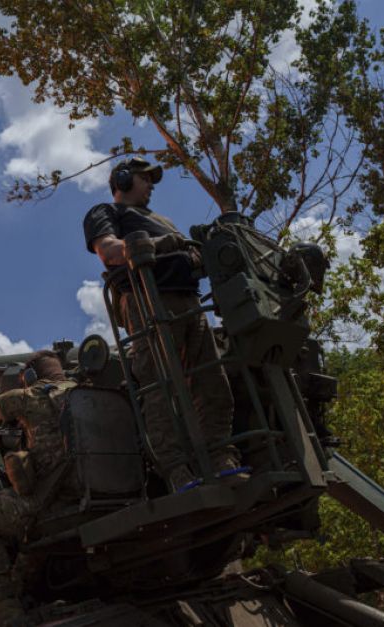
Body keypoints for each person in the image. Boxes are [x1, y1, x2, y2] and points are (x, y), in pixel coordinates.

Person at [82, 157, 238, 492]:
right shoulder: (106, 213)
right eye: (144, 178)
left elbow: (190, 254)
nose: (151, 185)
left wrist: (197, 256)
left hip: (189, 302)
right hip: (147, 300)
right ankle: (177, 470)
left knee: (213, 380)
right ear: (122, 180)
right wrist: (153, 245)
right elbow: (109, 251)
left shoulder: (163, 220)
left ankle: (221, 457)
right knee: (160, 387)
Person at [0, 351, 77, 627]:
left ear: (31, 377)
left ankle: (5, 609)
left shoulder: (33, 396)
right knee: (30, 536)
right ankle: (27, 591)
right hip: (91, 496)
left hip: (55, 500)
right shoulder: (83, 392)